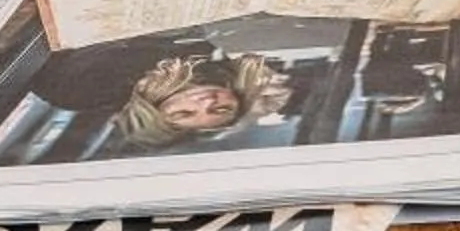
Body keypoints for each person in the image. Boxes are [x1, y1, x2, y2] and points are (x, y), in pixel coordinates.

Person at [25, 33, 294, 155]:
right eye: (221, 109)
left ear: (153, 114)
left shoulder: (80, 91)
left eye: (185, 112)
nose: (206, 102)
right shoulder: (213, 57)